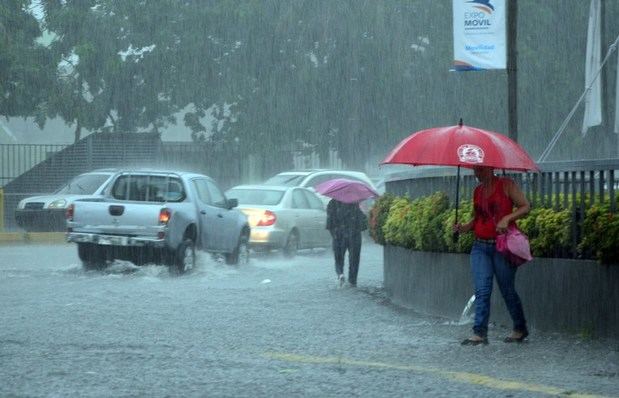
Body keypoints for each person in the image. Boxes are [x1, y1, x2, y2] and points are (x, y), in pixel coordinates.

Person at [454, 166, 531, 345]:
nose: (476, 174)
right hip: (480, 247)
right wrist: (464, 227)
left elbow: (526, 206)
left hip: (502, 246)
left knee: (507, 290)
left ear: (490, 168)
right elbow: (478, 218)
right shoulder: (478, 191)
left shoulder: (506, 185)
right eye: (475, 170)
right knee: (482, 289)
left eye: (480, 170)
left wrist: (507, 219)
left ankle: (520, 328)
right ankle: (479, 332)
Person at [326, 198, 367, 287]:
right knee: (354, 259)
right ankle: (352, 281)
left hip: (338, 235)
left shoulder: (332, 203)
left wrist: (334, 236)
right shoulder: (355, 203)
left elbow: (329, 224)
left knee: (338, 258)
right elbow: (362, 223)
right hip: (354, 235)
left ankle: (340, 274)